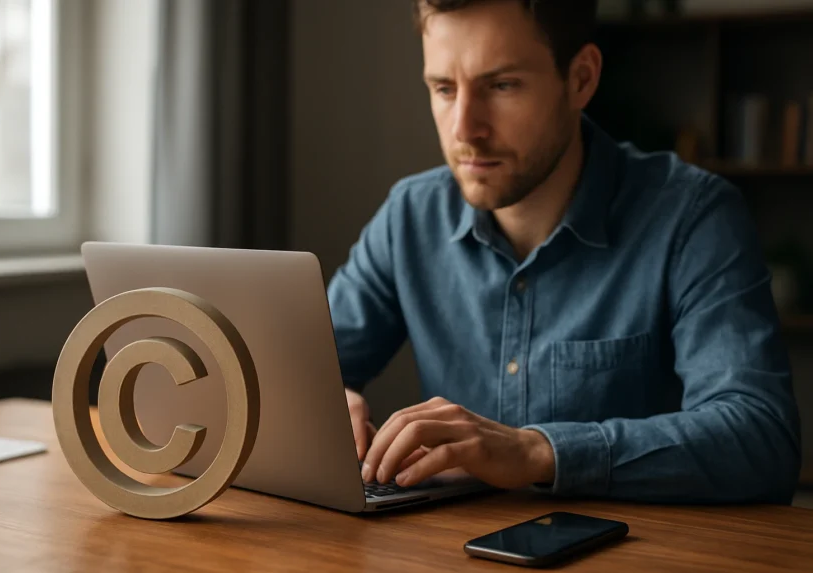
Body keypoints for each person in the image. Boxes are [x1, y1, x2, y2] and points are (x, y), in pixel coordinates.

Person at [326, 0, 801, 503]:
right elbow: (302, 369)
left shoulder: (693, 217)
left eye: (502, 85)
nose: (464, 128)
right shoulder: (410, 217)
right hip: (446, 542)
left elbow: (761, 438)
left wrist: (535, 452)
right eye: (444, 88)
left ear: (581, 79)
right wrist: (327, 399)